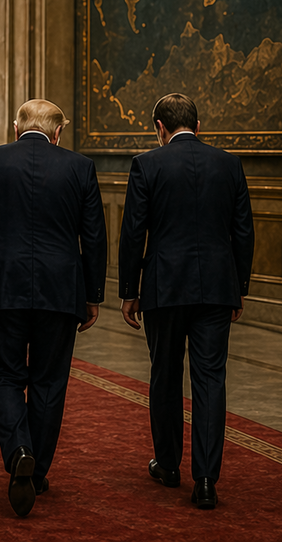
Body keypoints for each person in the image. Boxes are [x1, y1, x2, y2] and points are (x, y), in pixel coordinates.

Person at [0, 99, 107, 517]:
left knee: (3, 375)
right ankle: (35, 473)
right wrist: (92, 294)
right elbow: (94, 236)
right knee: (49, 380)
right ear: (58, 133)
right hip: (60, 291)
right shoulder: (80, 167)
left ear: (16, 129)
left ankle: (19, 448)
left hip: (0, 288)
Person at [118, 93, 254, 510]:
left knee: (165, 374)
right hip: (216, 288)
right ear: (198, 126)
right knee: (210, 380)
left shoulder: (147, 164)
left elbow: (133, 232)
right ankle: (207, 480)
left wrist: (129, 291)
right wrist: (238, 287)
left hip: (164, 288)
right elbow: (243, 231)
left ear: (159, 128)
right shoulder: (229, 164)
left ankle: (168, 465)